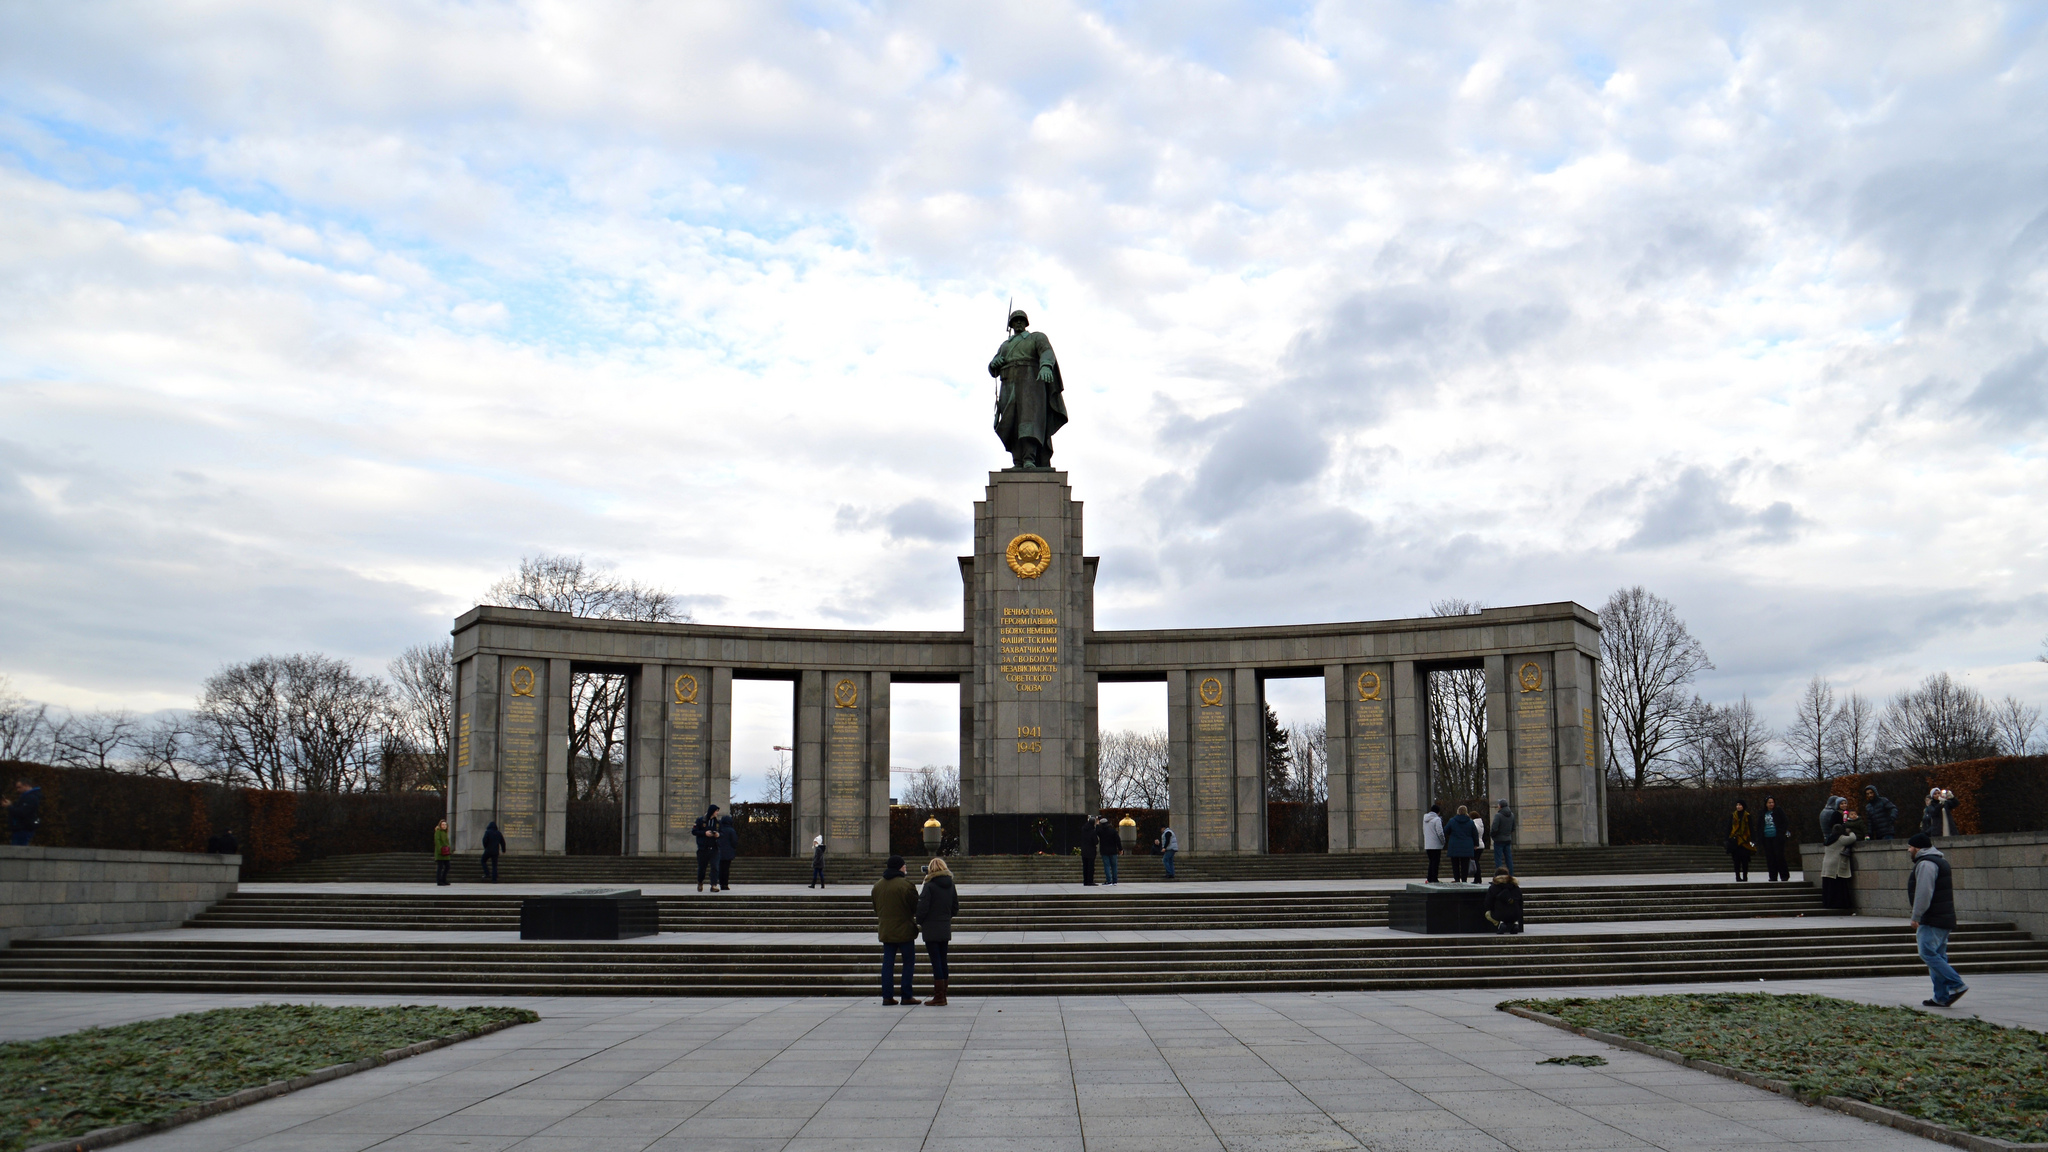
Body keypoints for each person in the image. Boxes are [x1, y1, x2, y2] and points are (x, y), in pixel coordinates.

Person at [986, 309, 1069, 470]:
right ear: (1011, 324)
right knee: (1011, 422)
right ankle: (1017, 461)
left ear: (1026, 323)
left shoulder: (1036, 337)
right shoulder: (1005, 345)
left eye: (1021, 320)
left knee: (1028, 421)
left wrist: (1045, 366)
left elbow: (1046, 351)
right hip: (1008, 383)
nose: (1018, 323)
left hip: (1031, 381)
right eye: (1015, 320)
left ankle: (1029, 458)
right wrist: (993, 365)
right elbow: (993, 366)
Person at [1906, 832, 1968, 1008]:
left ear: (1917, 848)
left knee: (1927, 953)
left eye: (1910, 847)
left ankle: (1956, 984)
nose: (1909, 850)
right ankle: (1941, 997)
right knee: (1938, 956)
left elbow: (1924, 892)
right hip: (1942, 916)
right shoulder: (1938, 861)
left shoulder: (1926, 863)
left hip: (1933, 917)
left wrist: (1916, 916)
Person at [871, 855, 921, 1005]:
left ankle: (887, 996)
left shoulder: (877, 886)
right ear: (900, 867)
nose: (906, 868)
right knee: (908, 963)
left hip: (886, 930)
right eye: (904, 866)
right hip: (905, 930)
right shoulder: (906, 885)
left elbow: (876, 908)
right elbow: (915, 908)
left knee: (888, 964)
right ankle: (906, 995)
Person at [916, 857, 959, 1006]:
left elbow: (922, 909)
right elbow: (955, 908)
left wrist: (920, 921)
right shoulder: (951, 885)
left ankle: (939, 996)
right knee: (943, 961)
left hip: (931, 929)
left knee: (936, 963)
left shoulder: (929, 886)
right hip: (944, 927)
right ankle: (943, 994)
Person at [1820, 813, 1858, 910]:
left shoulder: (1828, 839)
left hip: (1826, 864)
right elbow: (1852, 838)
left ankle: (1828, 903)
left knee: (1828, 886)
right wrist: (1850, 832)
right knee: (1838, 886)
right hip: (1835, 864)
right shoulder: (1840, 839)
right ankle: (1839, 903)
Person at [1755, 796, 1793, 882]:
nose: (1771, 804)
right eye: (1769, 802)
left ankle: (1784, 875)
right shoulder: (1762, 813)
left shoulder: (1778, 811)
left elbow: (1785, 822)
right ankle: (1773, 876)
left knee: (1779, 856)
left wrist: (1780, 832)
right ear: (1766, 804)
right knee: (1770, 858)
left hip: (1777, 837)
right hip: (1767, 838)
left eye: (1772, 802)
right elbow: (1759, 825)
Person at [1482, 869, 1524, 935]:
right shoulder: (1515, 886)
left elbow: (1488, 903)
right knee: (1513, 913)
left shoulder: (1493, 887)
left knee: (1487, 914)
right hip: (1515, 914)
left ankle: (1500, 924)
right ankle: (1515, 923)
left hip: (1499, 914)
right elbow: (1520, 902)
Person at [1446, 805, 1479, 884]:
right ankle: (1464, 879)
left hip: (1454, 845)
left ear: (1458, 812)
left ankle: (1457, 879)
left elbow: (1446, 831)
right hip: (1467, 846)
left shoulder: (1452, 821)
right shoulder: (1470, 822)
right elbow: (1475, 834)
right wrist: (1476, 844)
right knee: (1465, 864)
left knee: (1455, 864)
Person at [5, 781, 42, 846]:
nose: (18, 790)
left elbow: (22, 812)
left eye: (19, 787)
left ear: (26, 785)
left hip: (23, 827)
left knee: (18, 850)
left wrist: (9, 807)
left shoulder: (31, 797)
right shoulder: (28, 797)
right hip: (22, 827)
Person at [1726, 801, 1755, 882]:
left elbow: (1751, 828)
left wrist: (1753, 839)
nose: (1738, 806)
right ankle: (1738, 877)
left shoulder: (1747, 816)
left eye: (1740, 805)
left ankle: (1745, 876)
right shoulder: (1733, 815)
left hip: (1745, 840)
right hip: (1735, 840)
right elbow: (1729, 827)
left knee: (1745, 860)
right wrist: (1727, 838)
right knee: (1736, 860)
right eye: (1737, 805)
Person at [692, 806, 719, 892]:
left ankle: (714, 885)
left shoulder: (717, 822)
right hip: (703, 849)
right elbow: (694, 831)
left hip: (714, 848)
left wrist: (718, 835)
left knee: (715, 867)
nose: (717, 813)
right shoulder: (700, 820)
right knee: (702, 868)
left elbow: (722, 832)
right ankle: (700, 882)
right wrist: (704, 833)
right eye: (716, 811)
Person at [1490, 800, 1516, 875]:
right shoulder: (1512, 815)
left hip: (1498, 840)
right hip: (1507, 839)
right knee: (1509, 859)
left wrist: (1492, 835)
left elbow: (1494, 828)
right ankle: (1510, 876)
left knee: (1498, 859)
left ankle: (1499, 876)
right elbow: (1513, 827)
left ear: (1500, 806)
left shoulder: (1498, 815)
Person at [1422, 803, 1445, 883]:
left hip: (1428, 844)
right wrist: (1443, 841)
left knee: (1431, 862)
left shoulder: (1425, 819)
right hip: (1436, 845)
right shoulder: (1437, 819)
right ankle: (1434, 878)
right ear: (1438, 812)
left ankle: (1429, 877)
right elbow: (1440, 832)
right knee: (1435, 862)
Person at [1097, 815, 1122, 885]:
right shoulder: (1113, 831)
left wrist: (1097, 824)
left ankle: (1109, 880)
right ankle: (1115, 880)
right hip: (1113, 851)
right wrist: (1120, 849)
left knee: (1107, 866)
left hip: (1104, 851)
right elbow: (1118, 840)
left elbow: (1096, 831)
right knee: (1114, 866)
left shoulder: (1100, 831)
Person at [717, 810, 739, 890]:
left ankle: (721, 883)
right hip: (728, 853)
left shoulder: (719, 830)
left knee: (720, 869)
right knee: (726, 869)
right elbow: (734, 842)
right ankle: (725, 884)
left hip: (719, 852)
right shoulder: (731, 830)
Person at [1080, 815, 1098, 886]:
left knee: (1085, 866)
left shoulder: (1083, 829)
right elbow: (1095, 841)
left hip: (1084, 850)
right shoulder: (1092, 831)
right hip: (1091, 851)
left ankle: (1085, 881)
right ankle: (1090, 881)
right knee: (1090, 867)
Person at [433, 818, 452, 886]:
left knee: (448, 866)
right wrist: (440, 850)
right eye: (443, 824)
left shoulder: (445, 832)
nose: (444, 826)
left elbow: (447, 842)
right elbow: (437, 841)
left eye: (445, 824)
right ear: (440, 825)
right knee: (440, 867)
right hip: (441, 853)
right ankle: (439, 881)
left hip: (446, 852)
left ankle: (443, 879)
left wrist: (449, 849)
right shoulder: (438, 832)